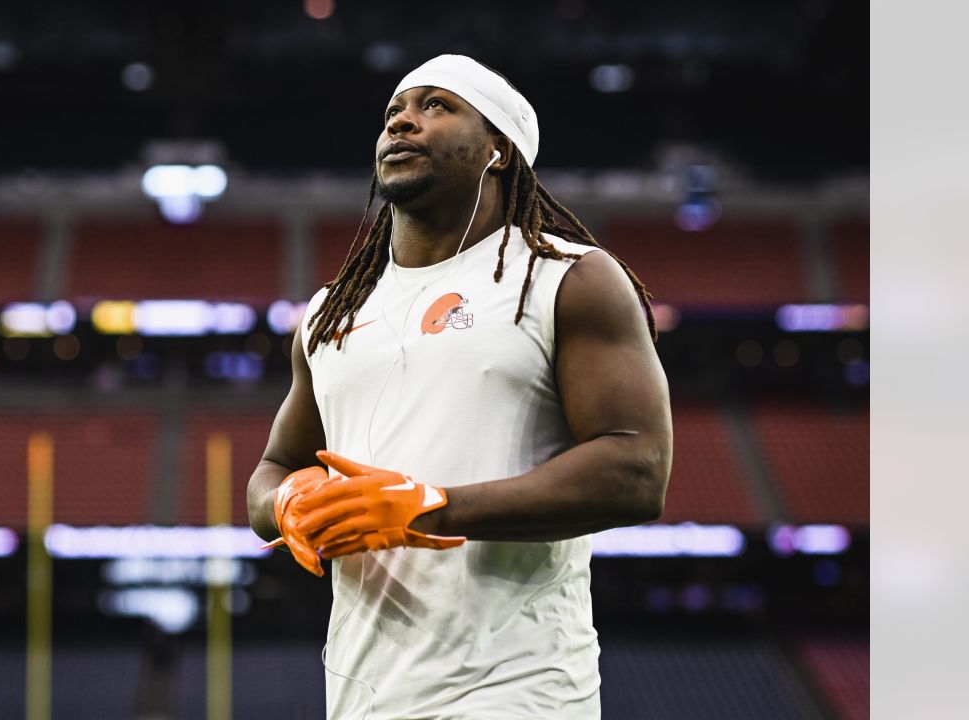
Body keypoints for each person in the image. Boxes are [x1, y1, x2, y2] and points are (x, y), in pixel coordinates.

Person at [247, 54, 672, 719]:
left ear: (498, 148)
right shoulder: (331, 310)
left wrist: (430, 506)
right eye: (394, 111)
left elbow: (637, 468)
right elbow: (275, 468)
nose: (403, 123)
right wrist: (289, 503)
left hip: (518, 693)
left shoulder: (569, 278)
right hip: (364, 697)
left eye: (436, 106)